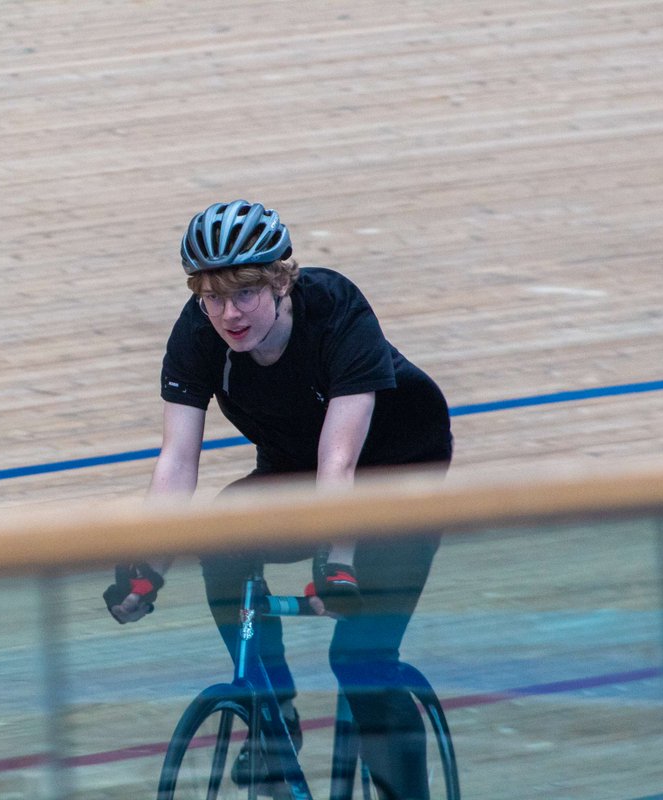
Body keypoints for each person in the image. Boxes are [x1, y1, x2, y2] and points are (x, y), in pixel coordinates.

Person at [103, 200, 453, 798]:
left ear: (281, 280)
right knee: (222, 537)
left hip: (400, 471)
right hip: (296, 467)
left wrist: (334, 563)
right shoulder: (196, 332)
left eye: (244, 293)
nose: (228, 313)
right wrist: (147, 569)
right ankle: (275, 715)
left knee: (361, 661)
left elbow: (338, 463)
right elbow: (177, 461)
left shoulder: (336, 309)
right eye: (211, 296)